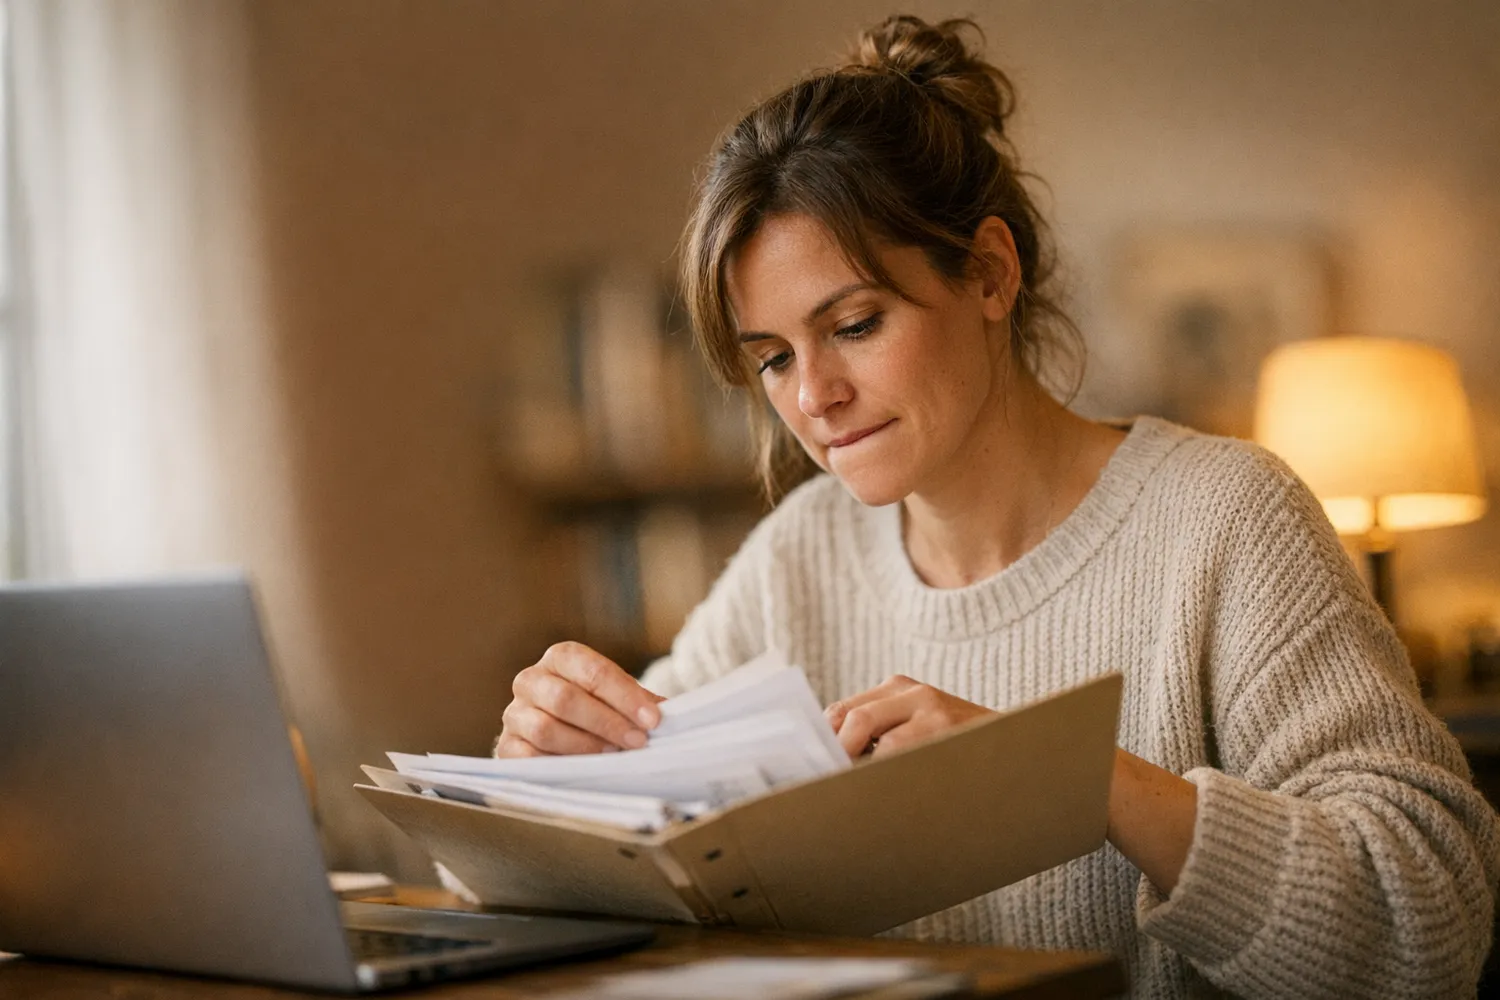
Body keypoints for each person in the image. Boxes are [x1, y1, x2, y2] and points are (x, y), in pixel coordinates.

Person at [491, 15, 1500, 998]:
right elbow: (620, 873)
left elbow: (1426, 931)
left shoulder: (1224, 521)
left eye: (853, 324)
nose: (812, 398)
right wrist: (551, 784)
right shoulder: (800, 556)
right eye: (775, 359)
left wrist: (1062, 778)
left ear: (989, 272)